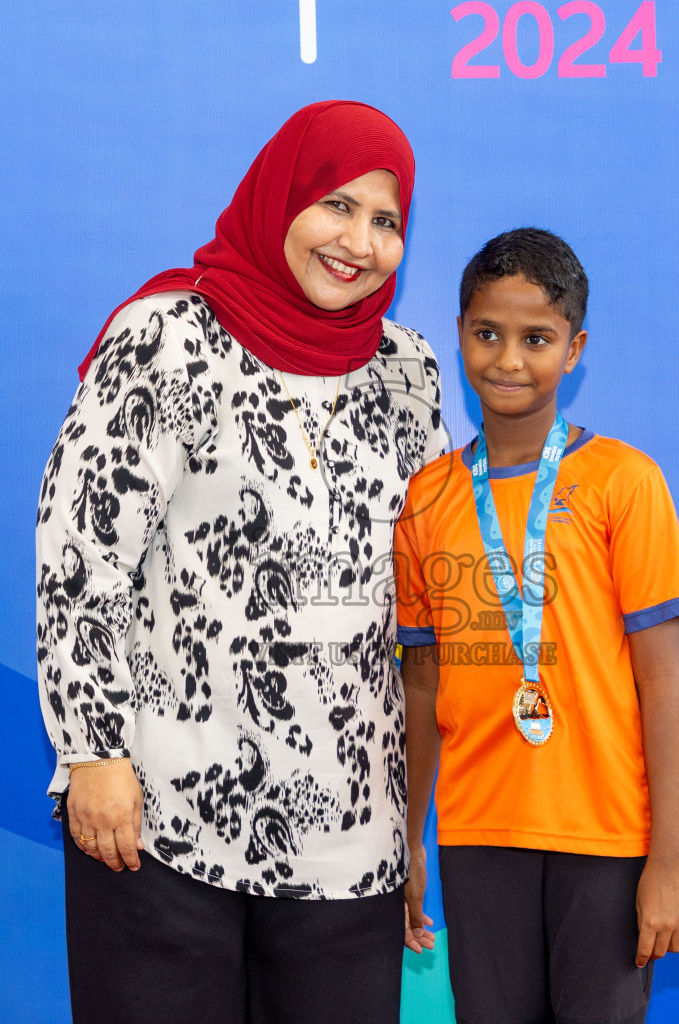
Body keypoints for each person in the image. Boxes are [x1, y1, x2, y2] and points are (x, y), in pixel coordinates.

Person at [36, 100, 447, 1024]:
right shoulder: (169, 339)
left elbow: (422, 591)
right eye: (336, 205)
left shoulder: (407, 371)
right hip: (161, 818)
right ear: (280, 198)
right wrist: (93, 753)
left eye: (387, 221)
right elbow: (81, 557)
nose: (360, 241)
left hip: (352, 835)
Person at [395, 227, 679, 1024]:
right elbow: (421, 683)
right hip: (476, 833)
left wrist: (669, 862)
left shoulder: (623, 483)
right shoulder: (427, 498)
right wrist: (409, 837)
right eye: (487, 333)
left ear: (575, 349)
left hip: (602, 839)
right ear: (459, 331)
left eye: (537, 339)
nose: (508, 359)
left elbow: (661, 681)